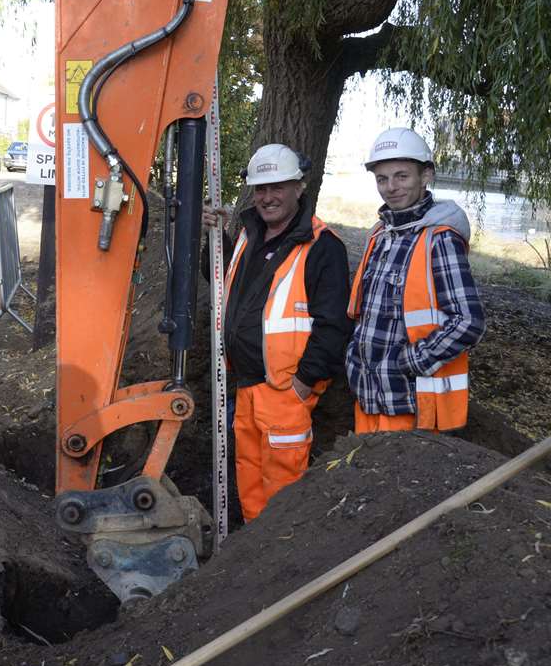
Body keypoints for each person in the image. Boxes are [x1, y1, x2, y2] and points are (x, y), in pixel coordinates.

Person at [204, 143, 351, 521]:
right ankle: (254, 549)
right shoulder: (250, 236)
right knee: (249, 478)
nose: (268, 198)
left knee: (283, 488)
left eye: (278, 188)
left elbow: (334, 325)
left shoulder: (321, 246)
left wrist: (304, 382)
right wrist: (216, 238)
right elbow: (230, 283)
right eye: (261, 189)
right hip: (247, 382)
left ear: (299, 188)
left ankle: (279, 556)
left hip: (286, 390)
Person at [346, 127, 486, 433]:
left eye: (402, 176)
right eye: (382, 179)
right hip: (367, 396)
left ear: (426, 176)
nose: (390, 187)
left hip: (409, 404)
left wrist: (411, 361)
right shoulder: (380, 236)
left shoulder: (439, 239)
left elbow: (469, 321)